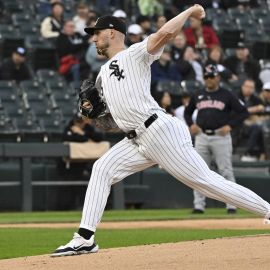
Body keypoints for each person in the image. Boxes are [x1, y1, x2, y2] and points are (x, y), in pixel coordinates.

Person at [52, 5, 270, 257]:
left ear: (112, 33)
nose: (93, 38)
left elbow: (165, 33)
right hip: (136, 139)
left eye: (97, 33)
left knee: (208, 183)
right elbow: (114, 122)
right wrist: (93, 114)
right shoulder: (101, 75)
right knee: (102, 169)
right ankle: (84, 238)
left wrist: (189, 11)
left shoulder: (135, 53)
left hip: (159, 131)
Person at [184, 64, 249, 214]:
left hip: (221, 136)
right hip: (202, 136)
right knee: (198, 171)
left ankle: (231, 205)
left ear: (218, 77)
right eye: (206, 77)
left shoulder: (227, 94)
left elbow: (243, 112)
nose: (209, 80)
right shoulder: (198, 94)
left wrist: (230, 125)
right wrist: (191, 124)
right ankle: (199, 205)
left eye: (211, 77)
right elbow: (188, 113)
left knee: (226, 171)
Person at [238, 79, 265, 161]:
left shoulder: (256, 99)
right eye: (247, 87)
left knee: (259, 127)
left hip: (252, 125)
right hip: (237, 124)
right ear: (242, 87)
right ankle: (248, 152)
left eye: (251, 87)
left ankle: (261, 153)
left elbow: (262, 111)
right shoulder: (235, 96)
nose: (249, 89)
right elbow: (236, 111)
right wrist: (253, 110)